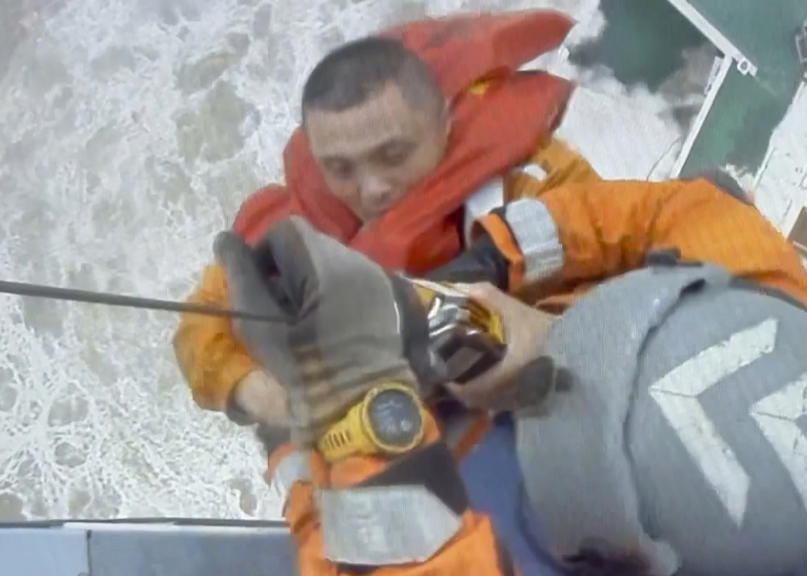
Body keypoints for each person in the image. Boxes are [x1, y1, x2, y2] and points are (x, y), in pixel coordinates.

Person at [213, 199, 807, 576]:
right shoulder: (772, 328)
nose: (520, 399)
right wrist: (506, 276)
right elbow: (686, 211)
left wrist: (309, 426)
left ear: (600, 564)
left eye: (552, 419)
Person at [173, 10, 601, 427]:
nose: (372, 188)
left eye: (393, 155)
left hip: (535, 406)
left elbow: (625, 268)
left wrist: (545, 329)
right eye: (341, 168)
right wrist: (257, 393)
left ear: (444, 125)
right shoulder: (289, 227)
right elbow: (200, 324)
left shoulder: (535, 180)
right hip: (387, 437)